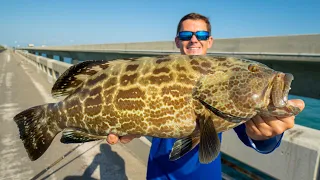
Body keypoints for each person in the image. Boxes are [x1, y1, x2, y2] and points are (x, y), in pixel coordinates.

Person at [106, 13, 305, 179]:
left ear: (209, 41)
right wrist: (128, 123)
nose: (194, 39)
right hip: (159, 174)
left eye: (201, 34)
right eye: (186, 34)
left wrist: (266, 134)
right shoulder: (154, 75)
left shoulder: (225, 80)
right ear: (177, 41)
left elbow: (251, 131)